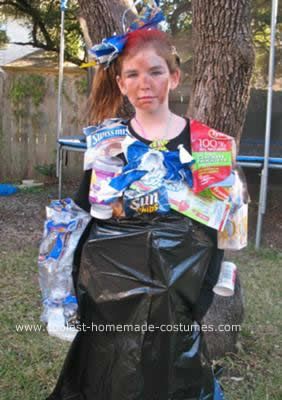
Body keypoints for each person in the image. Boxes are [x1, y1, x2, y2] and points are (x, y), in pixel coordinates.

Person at [47, 28, 225, 400]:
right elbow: (82, 215)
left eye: (155, 72)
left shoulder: (209, 146)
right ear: (120, 82)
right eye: (133, 74)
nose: (145, 83)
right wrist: (63, 294)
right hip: (108, 297)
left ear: (174, 77)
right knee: (110, 380)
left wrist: (202, 294)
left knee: (171, 381)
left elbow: (217, 228)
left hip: (177, 299)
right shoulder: (106, 144)